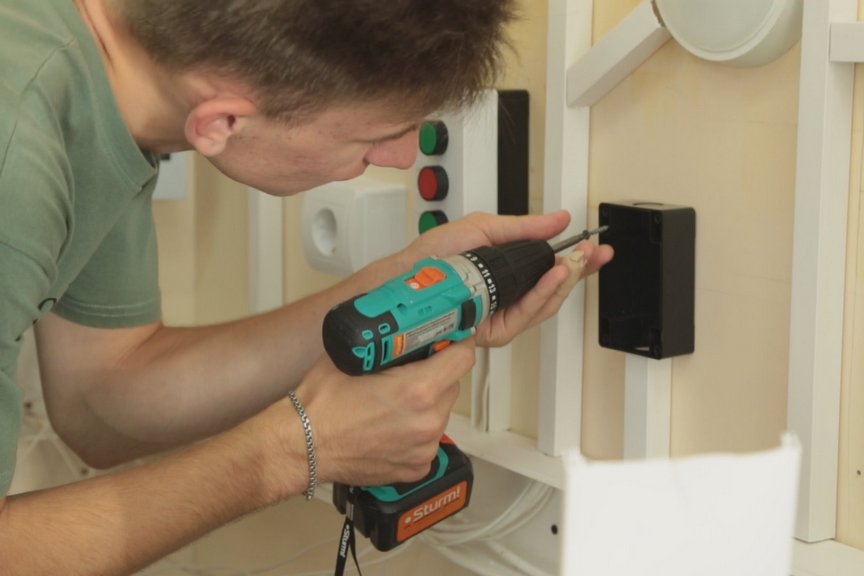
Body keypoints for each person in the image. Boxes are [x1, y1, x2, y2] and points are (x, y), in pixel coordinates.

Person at [0, 0, 614, 574]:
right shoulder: (16, 158)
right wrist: (295, 451)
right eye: (374, 137)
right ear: (223, 122)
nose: (403, 157)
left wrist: (394, 287)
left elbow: (100, 399)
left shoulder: (109, 87)